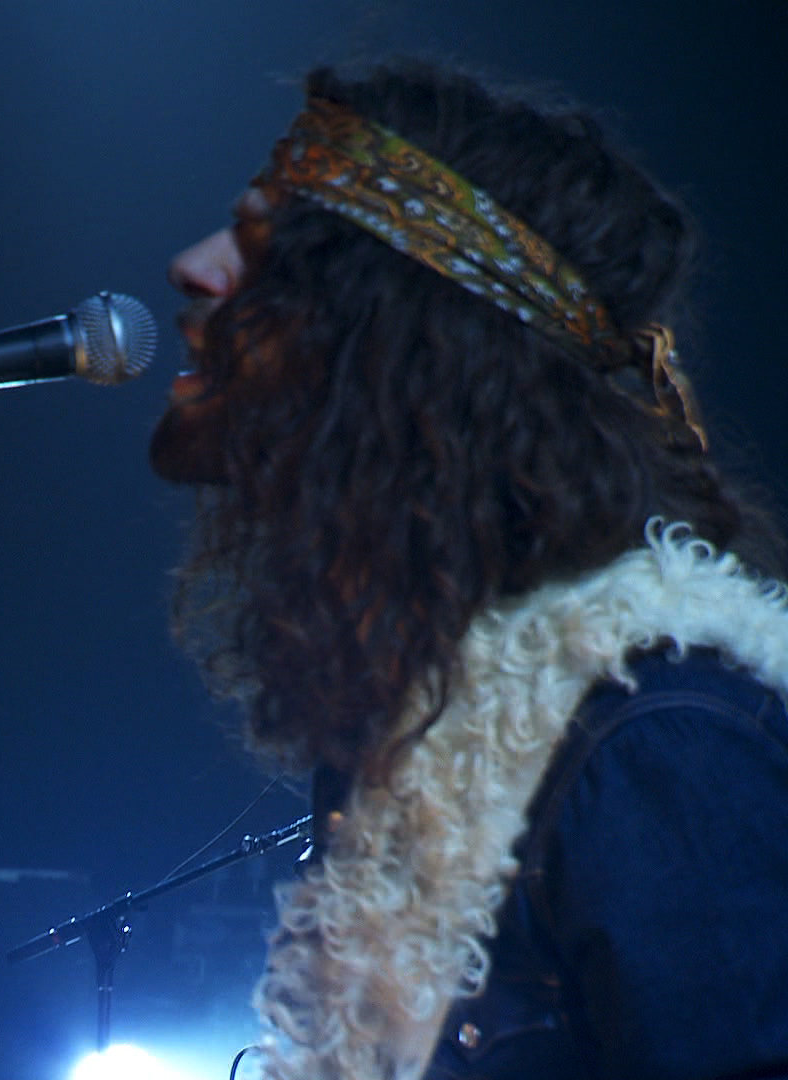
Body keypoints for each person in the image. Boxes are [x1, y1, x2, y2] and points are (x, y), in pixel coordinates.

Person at [148, 59, 788, 1079]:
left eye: (265, 252)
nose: (193, 266)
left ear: (392, 341)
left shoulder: (658, 739)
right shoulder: (426, 711)